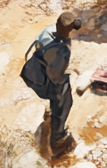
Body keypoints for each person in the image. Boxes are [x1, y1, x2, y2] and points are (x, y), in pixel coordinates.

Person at [21, 11, 82, 156]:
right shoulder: (61, 50)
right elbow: (55, 76)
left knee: (60, 87)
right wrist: (62, 83)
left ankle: (52, 114)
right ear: (68, 30)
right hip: (40, 80)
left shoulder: (48, 30)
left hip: (30, 70)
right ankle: (58, 138)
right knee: (63, 99)